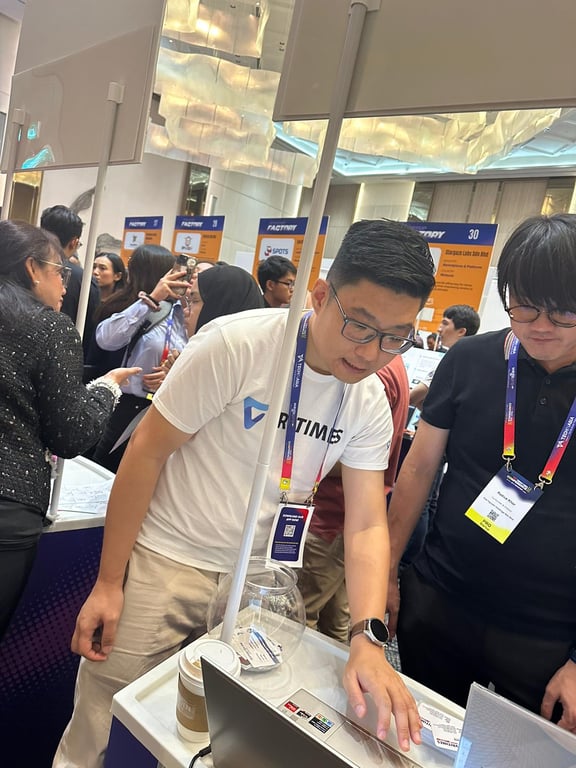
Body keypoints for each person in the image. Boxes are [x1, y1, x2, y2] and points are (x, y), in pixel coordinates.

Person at [53, 219, 435, 768]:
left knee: (212, 735)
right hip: (169, 560)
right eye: (359, 325)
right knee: (104, 718)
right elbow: (147, 453)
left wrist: (367, 638)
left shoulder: (368, 399)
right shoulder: (239, 344)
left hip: (259, 583)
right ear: (320, 296)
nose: (373, 351)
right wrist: (110, 582)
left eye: (395, 336)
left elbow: (367, 522)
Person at [387, 213, 576, 732]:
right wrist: (387, 572)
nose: (540, 325)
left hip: (547, 636)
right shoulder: (469, 359)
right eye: (525, 305)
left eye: (563, 311)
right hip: (440, 600)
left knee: (522, 755)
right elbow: (418, 469)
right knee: (418, 740)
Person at [0, 220, 138, 641]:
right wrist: (107, 389)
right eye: (61, 271)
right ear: (31, 268)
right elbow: (70, 434)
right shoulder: (48, 328)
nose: (67, 284)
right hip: (8, 508)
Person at [298, 355, 410, 643]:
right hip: (346, 517)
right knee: (338, 617)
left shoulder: (369, 375)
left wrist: (300, 451)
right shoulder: (388, 365)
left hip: (332, 517)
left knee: (300, 616)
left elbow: (358, 458)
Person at [90, 245, 190, 473]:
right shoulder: (135, 306)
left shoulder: (184, 312)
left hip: (165, 409)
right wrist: (152, 299)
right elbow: (105, 339)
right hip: (127, 406)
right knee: (107, 471)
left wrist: (173, 373)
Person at [40, 205, 100, 355]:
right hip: (66, 353)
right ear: (74, 242)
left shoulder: (21, 264)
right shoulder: (84, 281)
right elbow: (90, 330)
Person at [410, 304, 480, 409]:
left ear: (461, 331)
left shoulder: (453, 362)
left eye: (445, 323)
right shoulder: (473, 362)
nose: (439, 329)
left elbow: (412, 398)